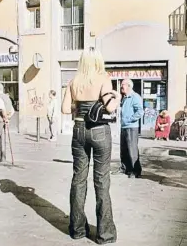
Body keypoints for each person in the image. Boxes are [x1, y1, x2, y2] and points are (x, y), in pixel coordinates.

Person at [61, 48, 120, 244]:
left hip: (78, 130)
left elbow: (63, 109)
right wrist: (116, 97)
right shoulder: (104, 78)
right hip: (99, 130)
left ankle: (77, 229)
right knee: (101, 180)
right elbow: (110, 107)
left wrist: (80, 106)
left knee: (79, 179)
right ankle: (105, 234)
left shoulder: (73, 81)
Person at [116, 78, 144, 178]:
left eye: (122, 84)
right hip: (124, 126)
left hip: (131, 127)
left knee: (132, 149)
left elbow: (140, 112)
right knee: (124, 149)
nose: (121, 86)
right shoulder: (124, 97)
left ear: (128, 86)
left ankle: (135, 171)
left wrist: (129, 119)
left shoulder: (135, 97)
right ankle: (125, 168)